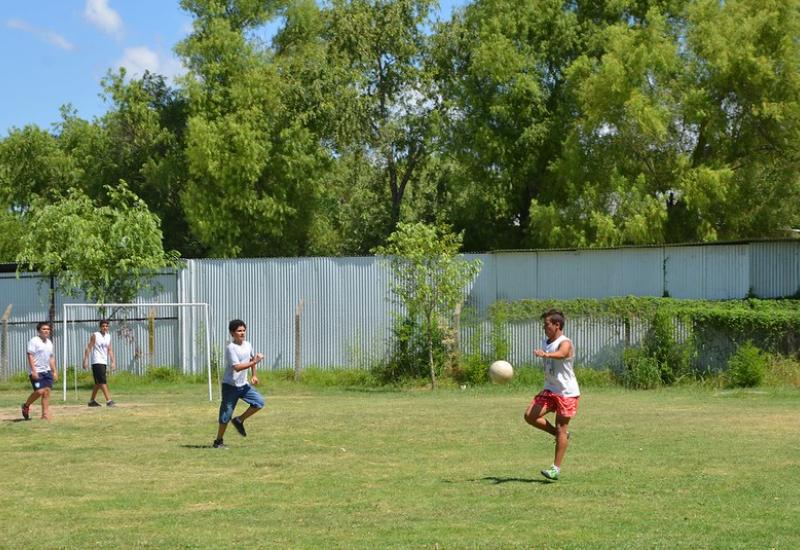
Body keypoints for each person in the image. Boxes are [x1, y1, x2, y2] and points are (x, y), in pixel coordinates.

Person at [524, 309, 580, 481]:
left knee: (562, 427)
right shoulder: (546, 341)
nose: (544, 328)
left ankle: (555, 469)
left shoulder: (565, 342)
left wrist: (545, 354)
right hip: (550, 390)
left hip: (566, 393)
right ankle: (559, 435)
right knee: (530, 415)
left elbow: (562, 354)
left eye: (547, 325)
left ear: (557, 325)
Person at [213, 319, 265, 449]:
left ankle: (239, 420)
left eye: (243, 330)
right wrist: (255, 361)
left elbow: (251, 359)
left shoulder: (248, 345)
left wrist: (254, 375)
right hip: (230, 386)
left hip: (244, 385)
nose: (242, 333)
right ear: (232, 333)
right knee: (226, 415)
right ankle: (218, 441)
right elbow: (237, 367)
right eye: (239, 331)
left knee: (259, 402)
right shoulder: (231, 348)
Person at [22, 321, 59, 421]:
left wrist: (54, 371)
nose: (46, 331)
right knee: (39, 391)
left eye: (48, 329)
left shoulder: (49, 343)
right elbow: (30, 355)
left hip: (47, 372)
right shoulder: (34, 341)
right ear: (39, 331)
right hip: (37, 372)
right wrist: (34, 371)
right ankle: (26, 405)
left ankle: (45, 415)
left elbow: (51, 358)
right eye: (44, 329)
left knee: (46, 392)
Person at [82, 319, 117, 407]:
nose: (105, 328)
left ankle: (92, 401)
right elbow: (89, 347)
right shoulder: (95, 335)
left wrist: (113, 361)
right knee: (102, 381)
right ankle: (109, 401)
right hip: (97, 361)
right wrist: (85, 360)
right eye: (103, 326)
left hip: (104, 361)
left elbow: (110, 349)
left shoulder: (108, 336)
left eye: (106, 326)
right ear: (100, 327)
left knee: (98, 383)